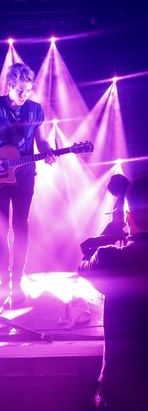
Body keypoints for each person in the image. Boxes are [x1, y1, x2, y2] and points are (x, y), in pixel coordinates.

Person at [0, 62, 55, 306]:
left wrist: (48, 151)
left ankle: (17, 284)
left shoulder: (35, 110)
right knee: (0, 229)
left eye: (28, 90)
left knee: (21, 227)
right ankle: (3, 283)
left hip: (25, 175)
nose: (25, 95)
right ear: (10, 86)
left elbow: (42, 141)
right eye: (20, 90)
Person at [78, 175, 148, 410]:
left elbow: (84, 266)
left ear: (127, 216)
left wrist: (105, 240)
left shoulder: (109, 259)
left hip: (122, 390)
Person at [80, 174, 130, 258]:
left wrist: (123, 234)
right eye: (115, 194)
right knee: (86, 246)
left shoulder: (126, 200)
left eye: (116, 193)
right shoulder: (122, 200)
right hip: (114, 231)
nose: (116, 195)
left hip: (116, 232)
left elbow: (120, 222)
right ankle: (92, 262)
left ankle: (92, 264)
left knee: (86, 246)